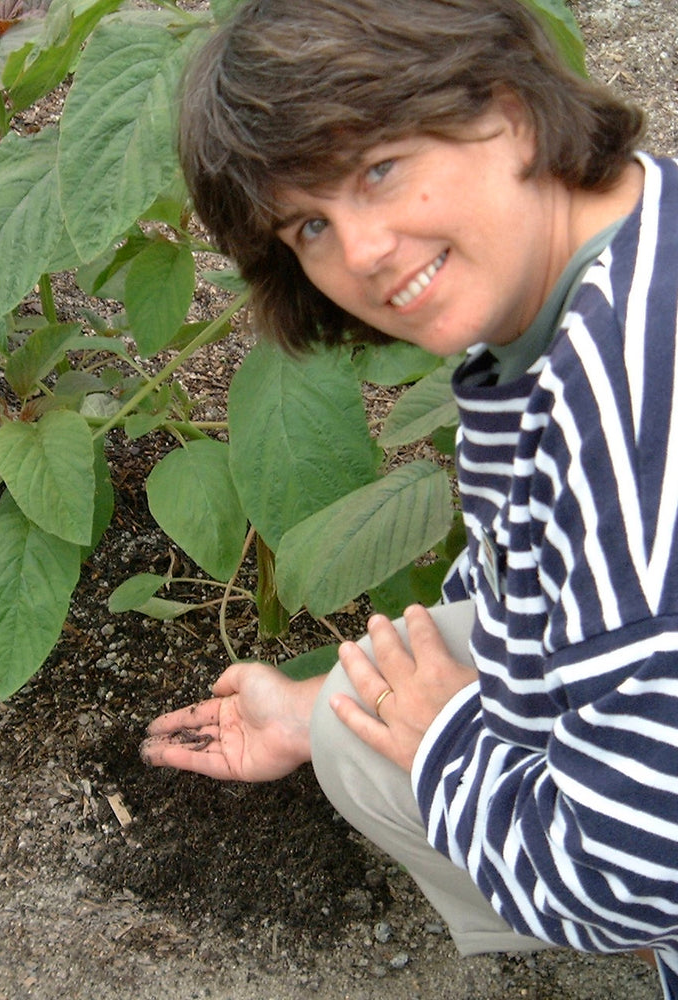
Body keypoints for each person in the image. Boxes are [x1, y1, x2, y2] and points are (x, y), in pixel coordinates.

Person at [139, 0, 678, 995]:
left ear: (506, 100)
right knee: (367, 720)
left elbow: (638, 875)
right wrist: (322, 709)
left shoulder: (631, 426)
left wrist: (446, 746)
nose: (363, 252)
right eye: (309, 223)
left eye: (376, 168)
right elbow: (534, 582)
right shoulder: (609, 255)